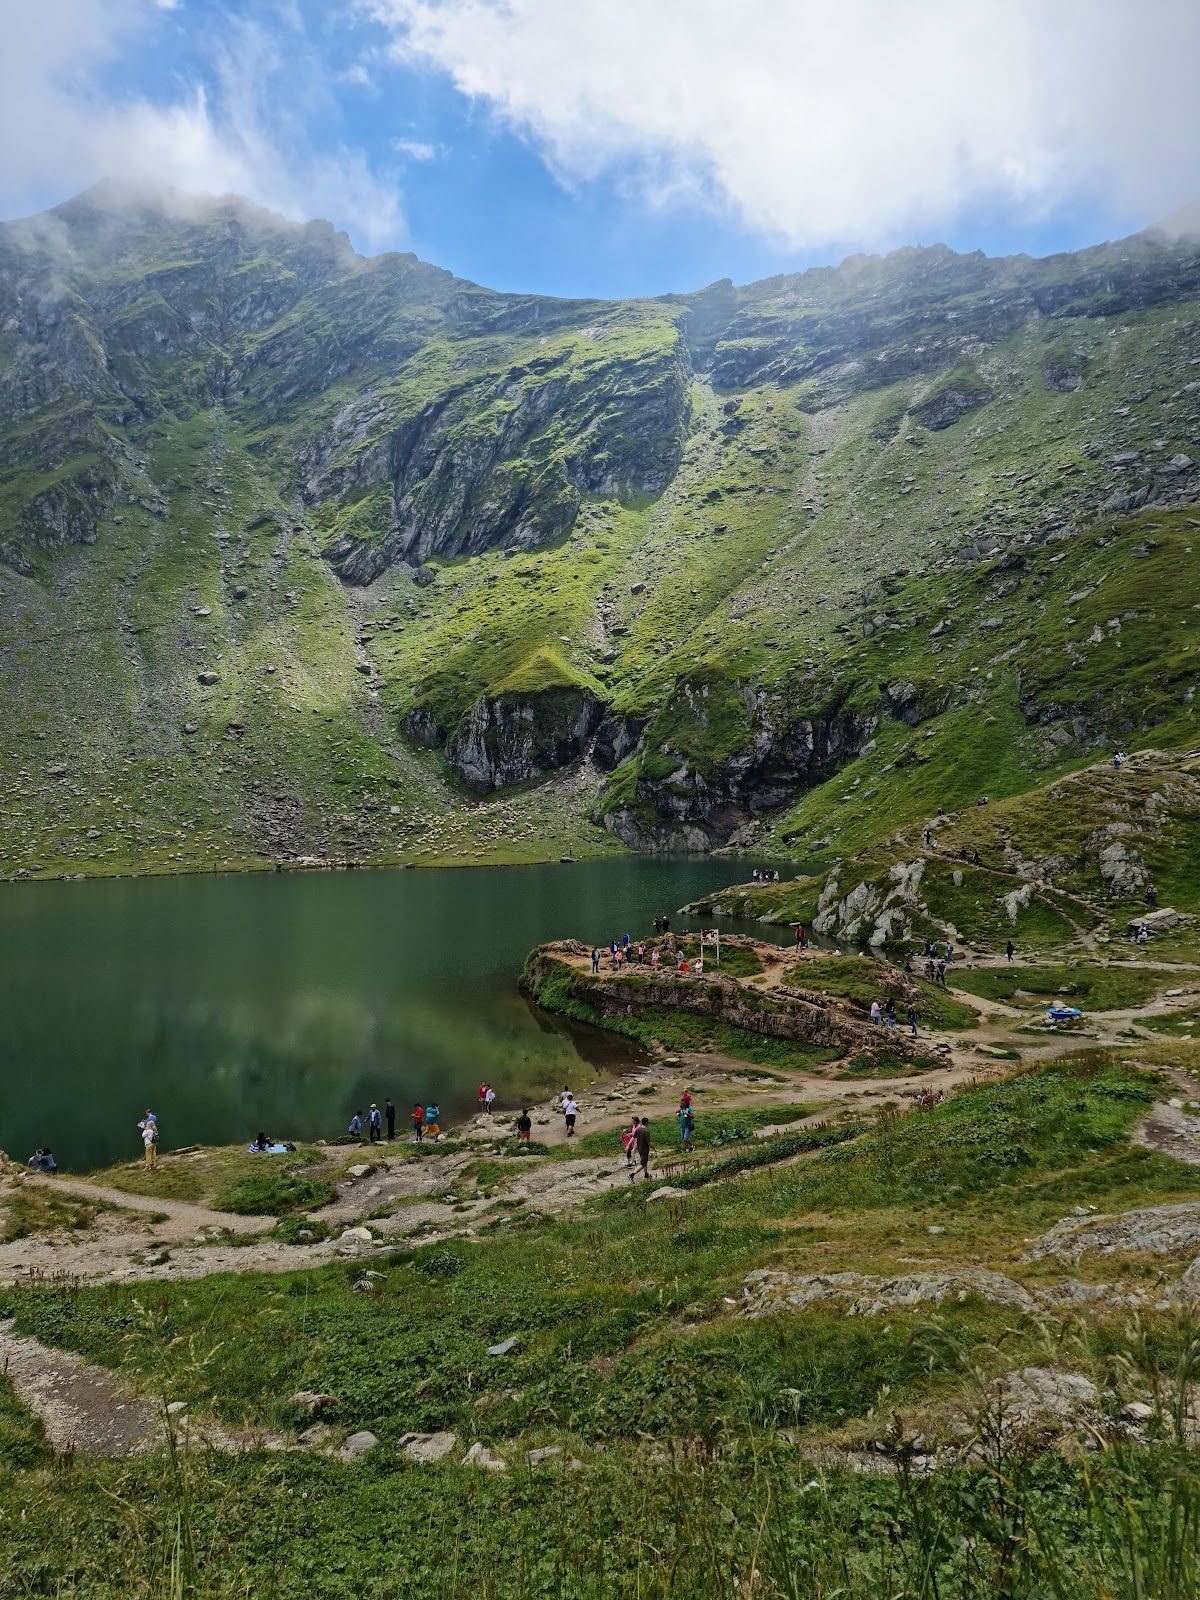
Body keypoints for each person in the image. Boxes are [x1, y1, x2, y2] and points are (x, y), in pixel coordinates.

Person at [631, 1117, 652, 1182]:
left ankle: (646, 1174)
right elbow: (649, 1142)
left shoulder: (638, 1129)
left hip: (639, 1148)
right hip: (644, 1149)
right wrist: (654, 1148)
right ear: (647, 1123)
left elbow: (634, 1137)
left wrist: (629, 1145)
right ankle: (631, 1175)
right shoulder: (646, 1131)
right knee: (643, 1164)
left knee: (644, 1161)